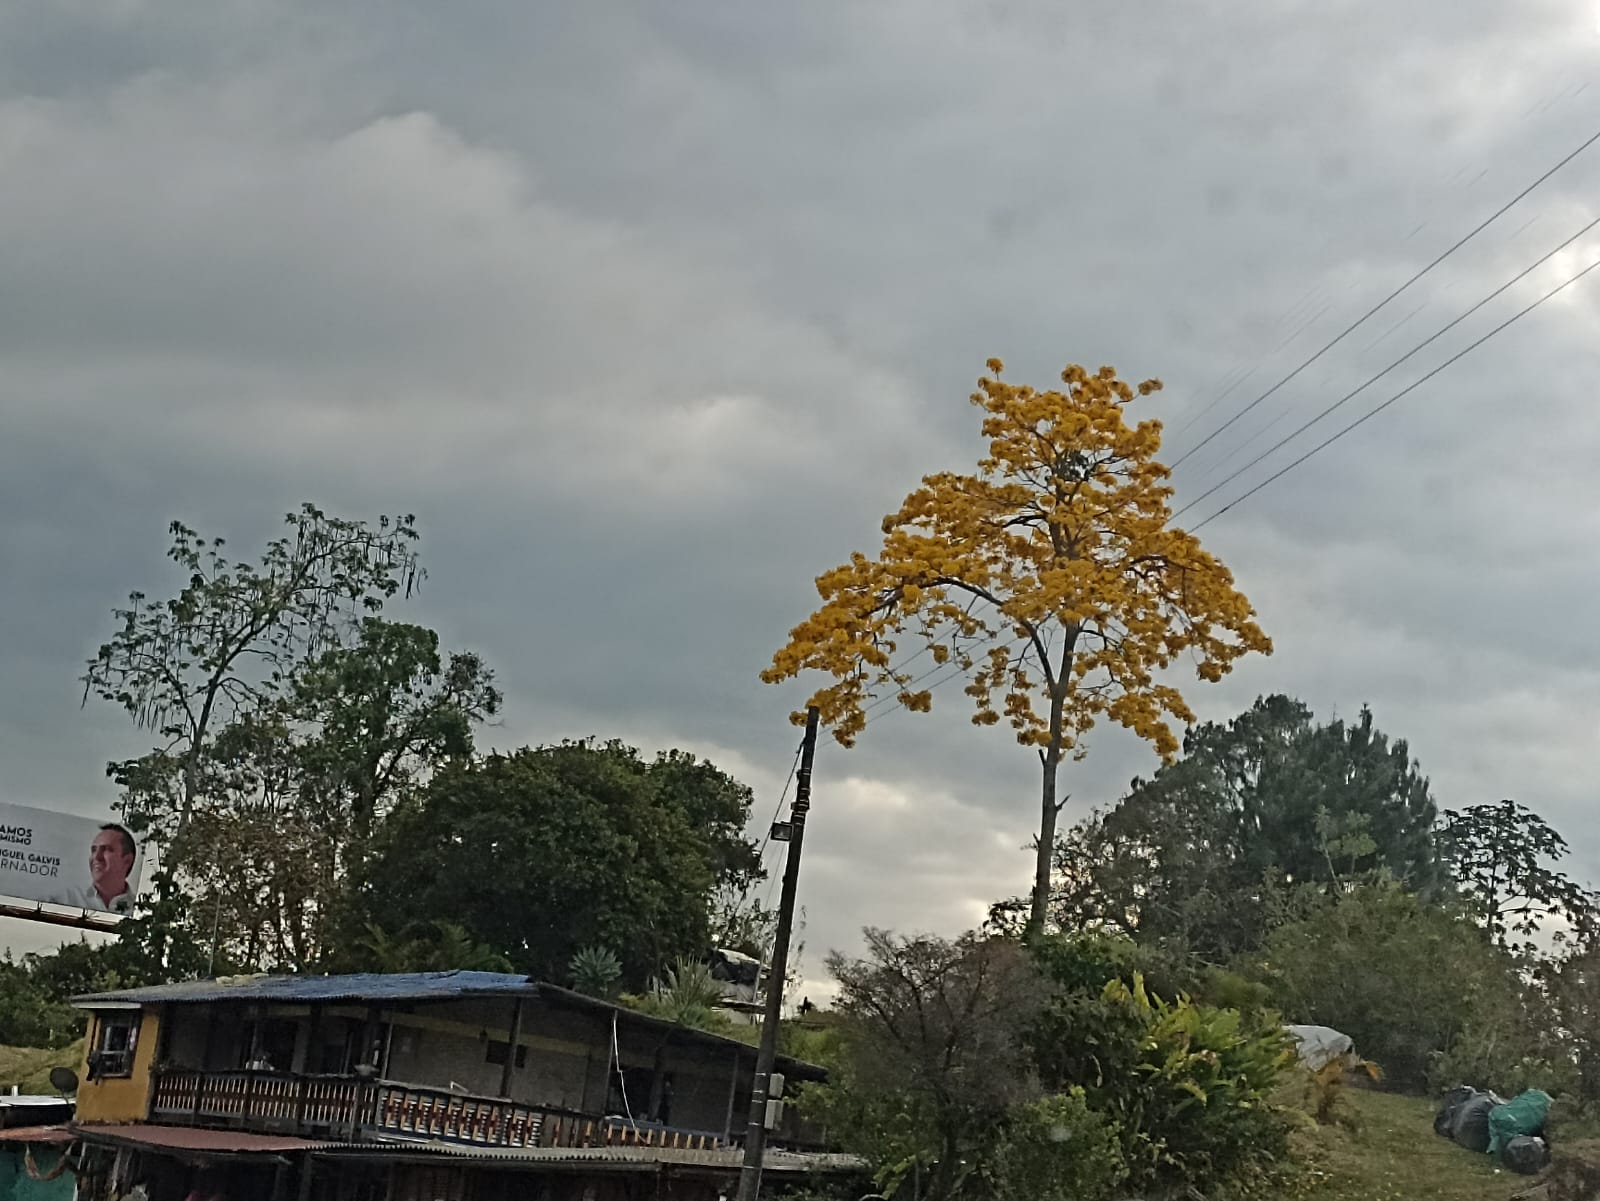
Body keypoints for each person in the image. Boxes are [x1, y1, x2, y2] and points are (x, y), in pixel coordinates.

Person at [64, 824, 138, 914]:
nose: (97, 857)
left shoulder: (141, 910)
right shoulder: (66, 899)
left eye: (106, 849)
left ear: (127, 860)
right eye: (94, 850)